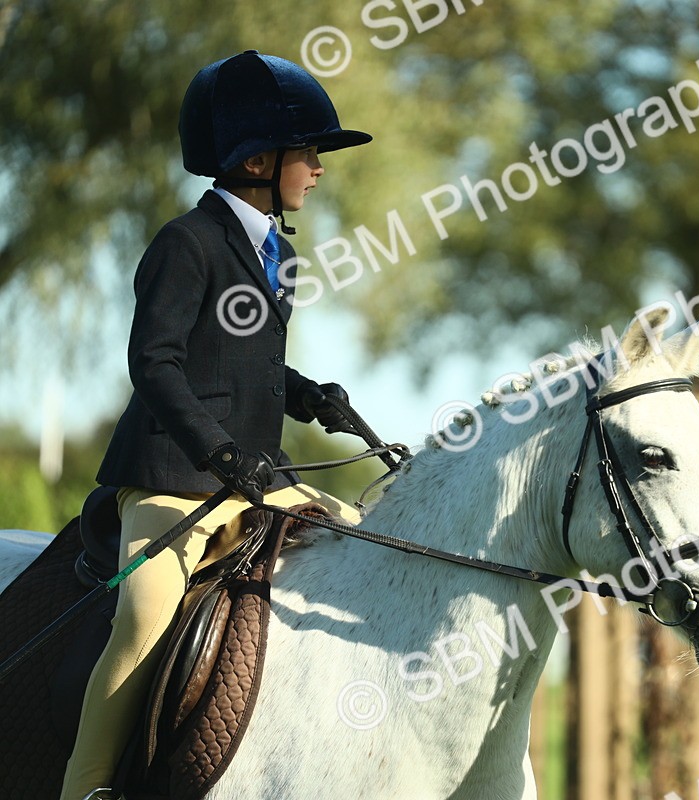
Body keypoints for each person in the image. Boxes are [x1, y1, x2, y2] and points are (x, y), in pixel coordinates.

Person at [61, 51, 372, 800]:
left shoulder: (277, 256)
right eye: (309, 153)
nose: (319, 169)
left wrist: (309, 396)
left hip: (257, 475)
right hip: (171, 476)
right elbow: (158, 365)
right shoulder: (185, 243)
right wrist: (221, 452)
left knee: (363, 534)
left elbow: (240, 369)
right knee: (143, 617)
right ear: (258, 160)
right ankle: (88, 783)